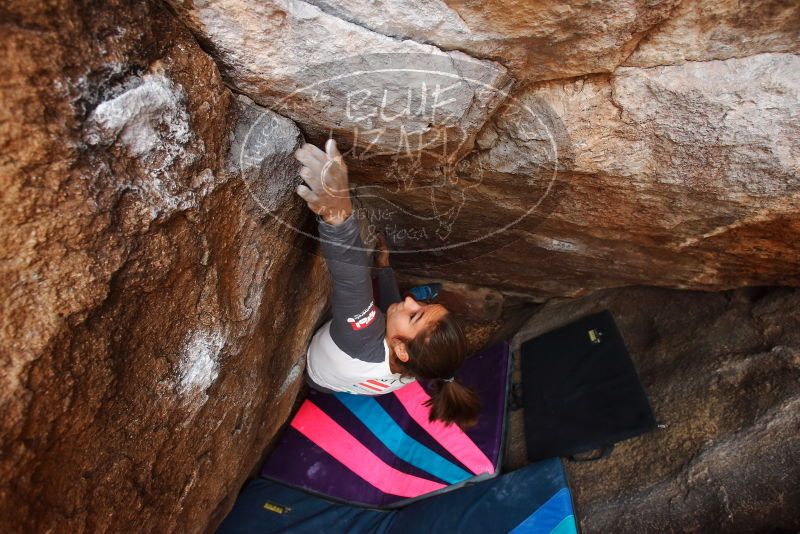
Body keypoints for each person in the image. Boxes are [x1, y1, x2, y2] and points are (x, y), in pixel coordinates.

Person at [293, 138, 481, 430]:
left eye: (415, 315)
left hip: (317, 372)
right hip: (337, 384)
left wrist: (338, 216)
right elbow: (389, 313)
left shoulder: (362, 340)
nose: (409, 302)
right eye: (423, 306)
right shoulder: (415, 366)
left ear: (401, 349)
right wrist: (384, 270)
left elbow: (352, 281)